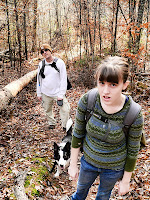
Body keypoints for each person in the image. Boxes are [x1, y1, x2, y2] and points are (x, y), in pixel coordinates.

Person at [68, 56, 144, 200]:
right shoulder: (88, 100)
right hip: (88, 162)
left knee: (103, 196)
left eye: (113, 85)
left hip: (113, 169)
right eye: (101, 83)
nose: (105, 91)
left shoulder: (133, 113)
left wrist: (126, 180)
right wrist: (73, 164)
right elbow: (77, 133)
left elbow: (133, 151)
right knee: (80, 192)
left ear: (125, 85)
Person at [37, 44, 70, 130]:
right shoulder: (41, 64)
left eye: (46, 50)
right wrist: (39, 93)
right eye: (42, 52)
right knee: (47, 109)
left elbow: (63, 79)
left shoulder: (60, 63)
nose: (45, 53)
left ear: (51, 51)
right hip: (45, 92)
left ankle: (65, 125)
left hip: (58, 92)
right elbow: (39, 80)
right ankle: (51, 123)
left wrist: (61, 94)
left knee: (65, 109)